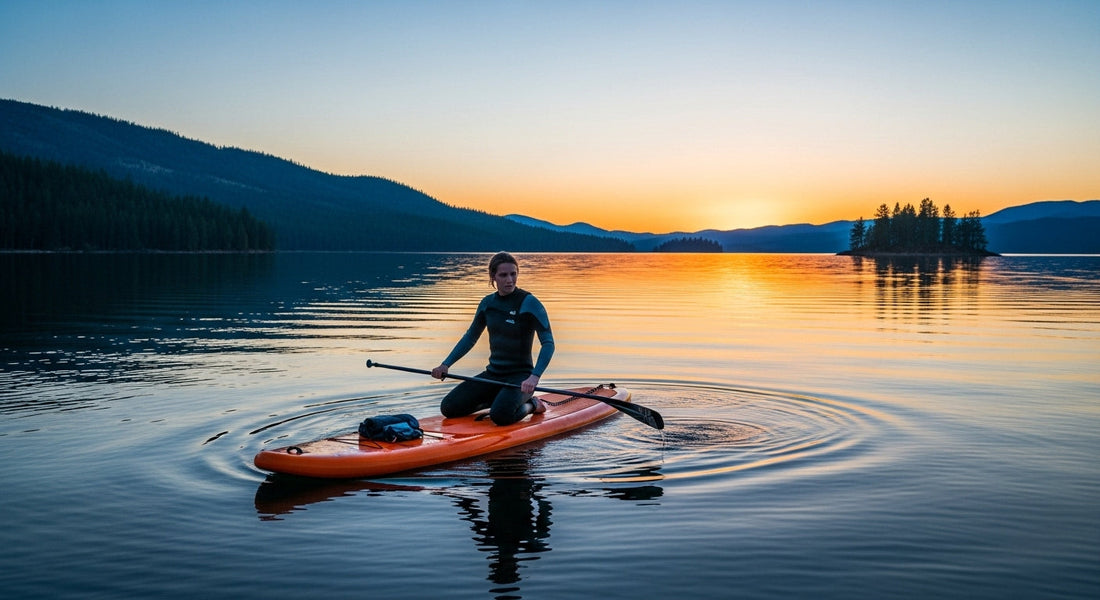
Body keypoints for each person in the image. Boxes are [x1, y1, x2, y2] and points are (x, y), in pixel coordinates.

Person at [431, 252, 555, 425]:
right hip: (492, 374)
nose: (509, 280)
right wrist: (446, 364)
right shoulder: (488, 304)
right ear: (493, 277)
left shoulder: (529, 302)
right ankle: (500, 400)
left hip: (521, 378)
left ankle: (532, 404)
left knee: (501, 416)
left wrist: (534, 377)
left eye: (513, 274)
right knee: (449, 408)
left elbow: (548, 343)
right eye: (503, 275)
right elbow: (470, 338)